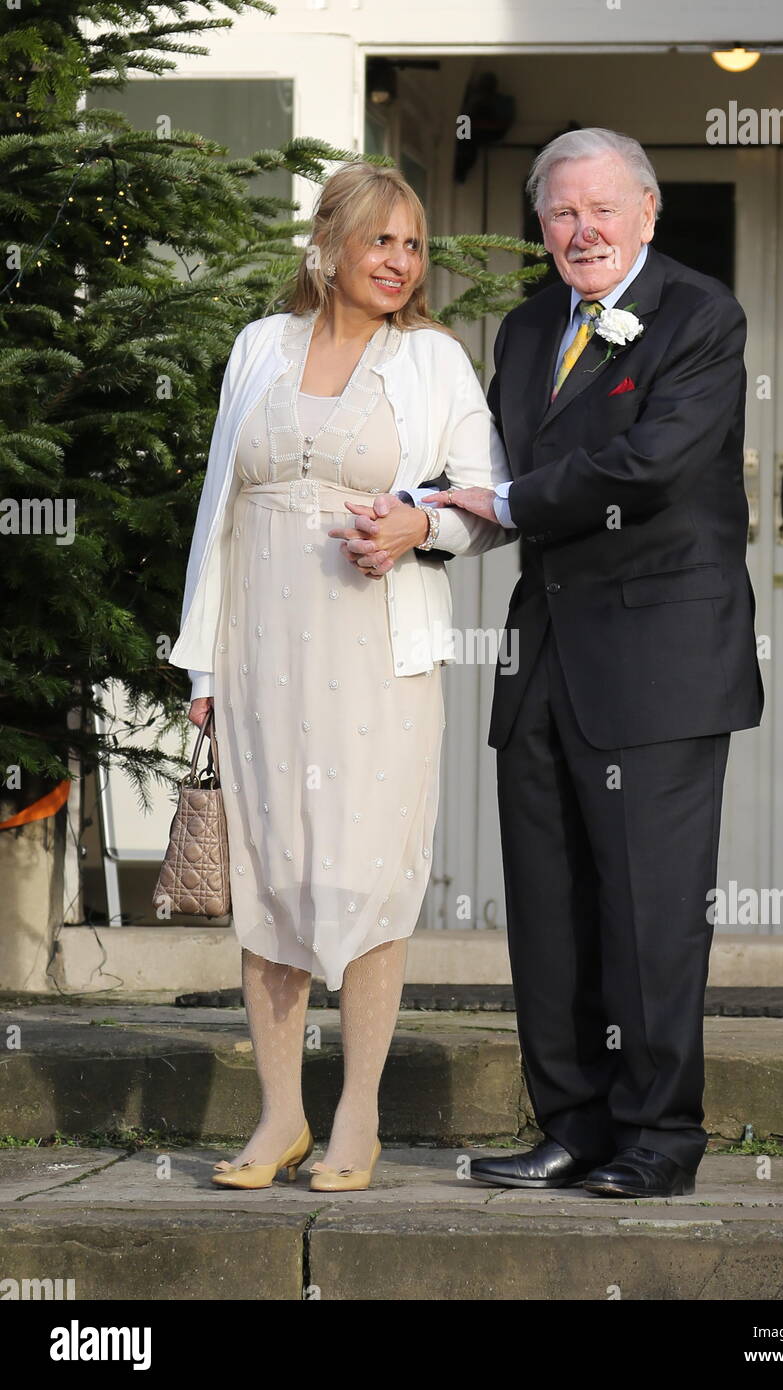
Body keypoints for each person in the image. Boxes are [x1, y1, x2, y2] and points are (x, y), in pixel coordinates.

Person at [416, 127, 765, 1197]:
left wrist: (505, 503)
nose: (581, 230)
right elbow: (472, 470)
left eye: (601, 209)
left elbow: (648, 465)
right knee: (548, 905)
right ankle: (569, 1122)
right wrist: (409, 511)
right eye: (561, 212)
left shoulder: (700, 316)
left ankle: (658, 1138)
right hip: (541, 661)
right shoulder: (522, 332)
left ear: (647, 214)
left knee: (650, 915)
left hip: (658, 662)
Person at [167, 162, 513, 1192]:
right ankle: (280, 1118)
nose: (401, 262)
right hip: (261, 655)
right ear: (328, 248)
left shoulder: (433, 363)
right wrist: (201, 661)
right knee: (268, 883)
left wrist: (422, 523)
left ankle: (356, 1116)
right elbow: (216, 515)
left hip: (378, 658)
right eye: (381, 241)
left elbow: (486, 495)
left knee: (367, 877)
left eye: (413, 245)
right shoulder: (257, 349)